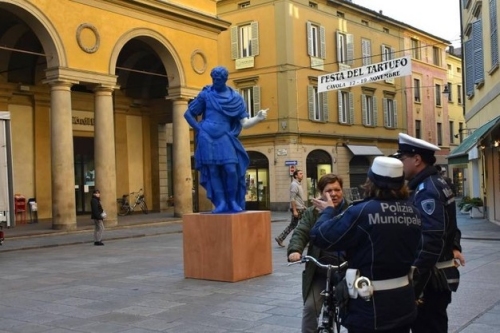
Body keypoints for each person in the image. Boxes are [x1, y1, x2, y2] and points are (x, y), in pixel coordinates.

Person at [310, 156, 422, 333]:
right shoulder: (413, 211)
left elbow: (321, 236)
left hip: (370, 307)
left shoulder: (362, 211)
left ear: (371, 182)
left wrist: (328, 211)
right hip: (404, 302)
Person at [392, 133, 465, 333]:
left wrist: (415, 276)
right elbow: (450, 226)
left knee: (428, 326)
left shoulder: (427, 190)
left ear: (416, 159)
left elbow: (431, 238)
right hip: (436, 277)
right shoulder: (437, 182)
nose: (400, 162)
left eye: (403, 158)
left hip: (431, 281)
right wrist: (454, 245)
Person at [184, 66, 268, 213]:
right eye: (213, 79)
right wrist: (199, 129)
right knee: (213, 171)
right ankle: (221, 203)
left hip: (224, 136)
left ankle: (232, 201)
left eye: (218, 79)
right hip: (206, 137)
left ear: (224, 79)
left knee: (231, 169)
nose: (215, 82)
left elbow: (245, 123)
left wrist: (258, 118)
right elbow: (188, 114)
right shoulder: (206, 95)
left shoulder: (235, 98)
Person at [287, 173, 350, 333]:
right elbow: (301, 231)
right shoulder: (312, 213)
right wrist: (295, 250)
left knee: (356, 310)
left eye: (337, 189)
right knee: (310, 309)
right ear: (321, 192)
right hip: (320, 270)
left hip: (347, 270)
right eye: (329, 191)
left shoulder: (352, 210)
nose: (334, 194)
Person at [275, 169, 306, 247]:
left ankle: (280, 238)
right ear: (296, 175)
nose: (302, 175)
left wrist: (303, 206)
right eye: (300, 173)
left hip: (300, 208)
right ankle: (305, 241)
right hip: (298, 209)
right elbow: (292, 198)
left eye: (302, 173)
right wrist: (295, 210)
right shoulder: (294, 185)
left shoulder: (298, 184)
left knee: (293, 225)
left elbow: (298, 198)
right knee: (306, 224)